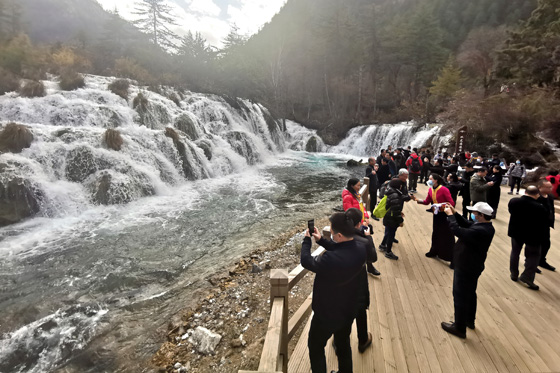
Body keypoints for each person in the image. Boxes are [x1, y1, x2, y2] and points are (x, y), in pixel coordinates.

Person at [302, 213, 366, 373]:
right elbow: (342, 248)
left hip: (327, 314)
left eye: (331, 232)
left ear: (338, 235)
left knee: (315, 347)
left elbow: (306, 261)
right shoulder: (360, 248)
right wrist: (321, 240)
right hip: (348, 309)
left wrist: (306, 240)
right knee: (343, 344)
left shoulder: (331, 260)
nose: (330, 233)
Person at [440, 202, 495, 339]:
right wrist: (456, 214)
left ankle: (459, 327)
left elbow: (458, 231)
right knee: (470, 293)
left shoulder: (480, 231)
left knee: (459, 295)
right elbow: (467, 224)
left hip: (466, 265)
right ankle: (469, 320)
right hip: (474, 265)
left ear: (481, 215)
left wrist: (450, 216)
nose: (473, 215)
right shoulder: (485, 226)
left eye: (475, 213)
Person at [508, 186, 548, 290]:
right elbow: (543, 223)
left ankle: (514, 273)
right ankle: (527, 277)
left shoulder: (513, 201)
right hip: (533, 235)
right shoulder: (540, 207)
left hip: (516, 232)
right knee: (533, 256)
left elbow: (511, 212)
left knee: (515, 252)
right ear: (537, 194)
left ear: (525, 192)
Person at [411, 173, 455, 263]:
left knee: (447, 235)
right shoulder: (431, 190)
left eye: (430, 178)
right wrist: (416, 200)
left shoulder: (444, 189)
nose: (429, 180)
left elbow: (451, 203)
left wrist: (440, 206)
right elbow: (427, 201)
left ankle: (452, 258)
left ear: (436, 180)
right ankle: (434, 251)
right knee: (436, 233)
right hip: (436, 215)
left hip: (445, 214)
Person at [379, 169, 412, 260]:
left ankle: (383, 245)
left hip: (390, 213)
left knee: (389, 231)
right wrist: (401, 221)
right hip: (392, 216)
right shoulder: (395, 194)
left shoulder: (392, 191)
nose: (406, 179)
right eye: (405, 176)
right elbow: (396, 210)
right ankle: (387, 251)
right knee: (390, 232)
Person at [537, 180, 556, 271]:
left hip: (546, 225)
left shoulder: (550, 197)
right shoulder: (536, 197)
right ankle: (531, 262)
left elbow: (551, 209)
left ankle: (541, 260)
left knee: (546, 244)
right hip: (537, 225)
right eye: (548, 187)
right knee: (534, 245)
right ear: (540, 187)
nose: (550, 189)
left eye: (550, 187)